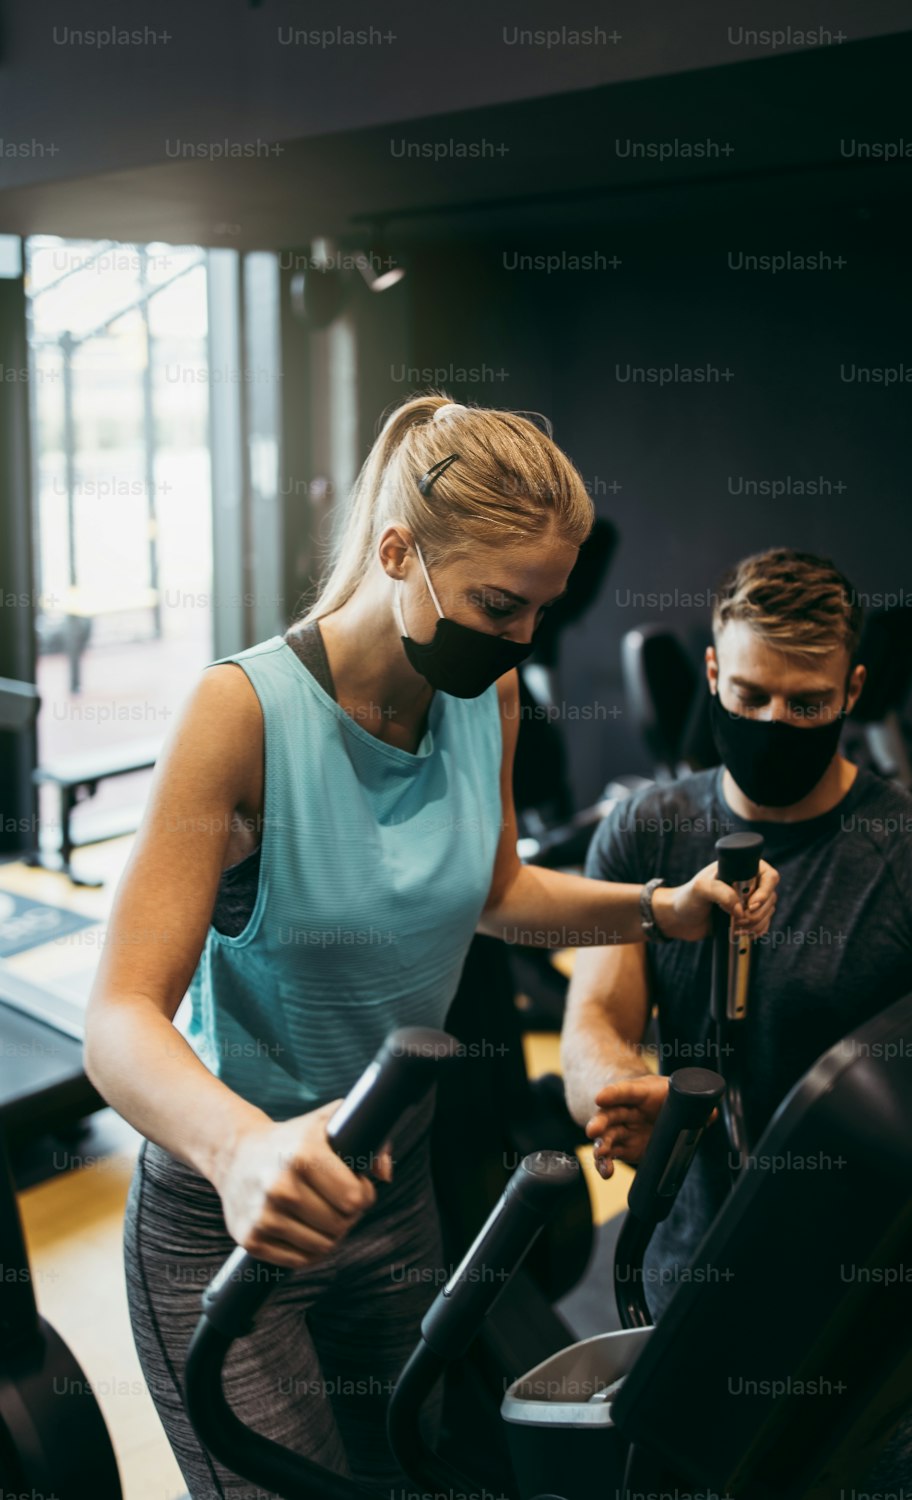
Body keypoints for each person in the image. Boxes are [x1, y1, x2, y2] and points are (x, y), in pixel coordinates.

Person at [83, 394, 779, 1499]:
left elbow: (496, 892)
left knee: (409, 1480)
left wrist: (659, 907)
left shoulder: (485, 693)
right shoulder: (241, 713)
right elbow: (118, 1018)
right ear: (398, 551)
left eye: (538, 614)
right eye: (500, 605)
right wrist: (237, 1151)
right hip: (233, 1217)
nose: (519, 641)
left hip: (391, 1197)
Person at [561, 545, 912, 1496]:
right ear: (714, 673)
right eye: (752, 696)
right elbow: (593, 1014)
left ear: (854, 689)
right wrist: (614, 1089)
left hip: (868, 1300)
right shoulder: (646, 833)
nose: (775, 723)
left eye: (808, 704)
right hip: (693, 1273)